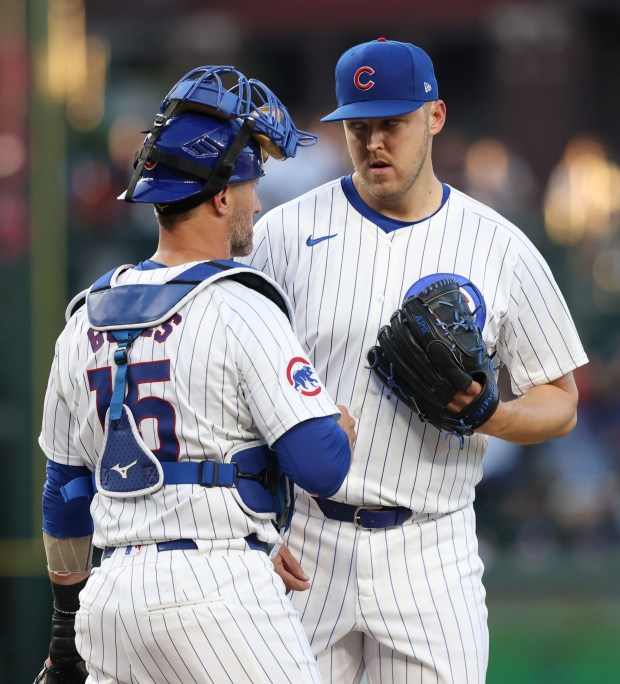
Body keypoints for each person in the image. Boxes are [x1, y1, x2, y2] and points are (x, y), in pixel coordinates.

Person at [242, 38, 588, 684]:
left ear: (434, 117)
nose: (374, 142)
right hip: (307, 539)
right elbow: (233, 396)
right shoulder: (280, 237)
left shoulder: (499, 244)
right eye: (359, 126)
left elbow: (561, 399)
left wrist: (494, 414)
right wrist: (255, 529)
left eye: (392, 124)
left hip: (432, 545)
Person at [37, 65, 355, 684]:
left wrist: (63, 631)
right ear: (220, 195)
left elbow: (64, 496)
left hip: (110, 601)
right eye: (250, 184)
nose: (256, 201)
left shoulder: (84, 317)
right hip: (217, 594)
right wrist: (336, 423)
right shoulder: (240, 303)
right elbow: (323, 466)